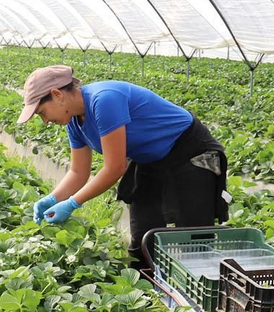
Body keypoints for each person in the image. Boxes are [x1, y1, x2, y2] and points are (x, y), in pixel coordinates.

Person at [19, 65, 229, 268]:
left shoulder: (104, 100)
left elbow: (115, 167)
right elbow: (78, 171)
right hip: (149, 159)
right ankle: (149, 297)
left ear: (57, 94)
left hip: (188, 151)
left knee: (193, 239)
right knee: (144, 239)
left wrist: (72, 203)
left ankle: (195, 297)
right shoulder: (74, 121)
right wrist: (54, 198)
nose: (45, 121)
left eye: (41, 112)